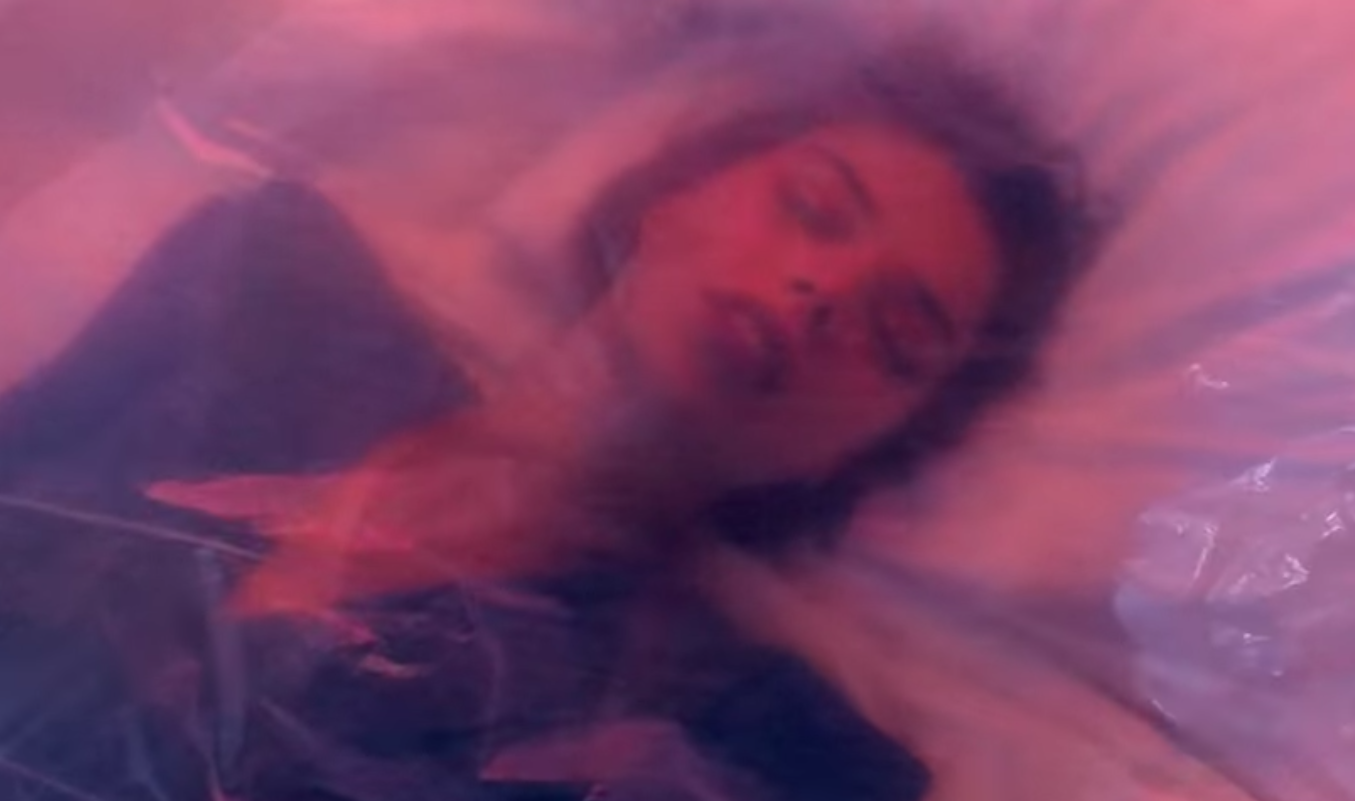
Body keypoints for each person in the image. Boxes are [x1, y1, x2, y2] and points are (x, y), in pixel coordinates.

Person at [0, 36, 1090, 801]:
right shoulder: (263, 291)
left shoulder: (749, 745)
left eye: (894, 336)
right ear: (678, 188)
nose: (820, 291)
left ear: (871, 449)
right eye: (809, 206)